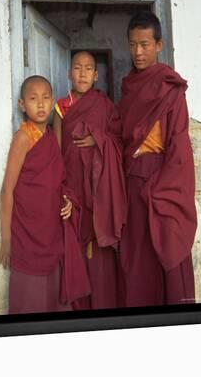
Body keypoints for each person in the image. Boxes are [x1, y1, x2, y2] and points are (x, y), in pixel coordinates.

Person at [118, 10, 197, 307]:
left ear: (159, 45)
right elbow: (121, 134)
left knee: (166, 245)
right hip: (132, 182)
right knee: (137, 257)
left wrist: (162, 189)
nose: (138, 52)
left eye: (145, 44)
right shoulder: (129, 87)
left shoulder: (171, 89)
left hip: (160, 181)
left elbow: (177, 146)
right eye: (133, 44)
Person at [0, 75, 90, 314]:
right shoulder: (23, 138)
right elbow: (8, 189)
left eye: (46, 98)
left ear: (52, 104)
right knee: (31, 299)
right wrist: (6, 238)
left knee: (54, 295)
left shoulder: (51, 137)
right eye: (33, 99)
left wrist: (68, 201)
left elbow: (58, 180)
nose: (40, 104)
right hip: (28, 232)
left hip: (51, 228)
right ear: (22, 104)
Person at [53, 52, 127, 310]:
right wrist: (61, 189)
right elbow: (58, 150)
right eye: (77, 68)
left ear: (96, 75)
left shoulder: (105, 105)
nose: (82, 73)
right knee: (75, 243)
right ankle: (81, 308)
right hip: (73, 187)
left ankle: (106, 305)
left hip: (100, 188)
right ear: (69, 73)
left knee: (101, 246)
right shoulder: (61, 108)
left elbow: (119, 141)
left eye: (88, 69)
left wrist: (100, 139)